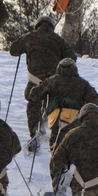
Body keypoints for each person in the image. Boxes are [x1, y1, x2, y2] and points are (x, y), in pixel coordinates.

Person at [8, 15, 76, 152]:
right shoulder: (58, 40)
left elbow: (13, 51)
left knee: (33, 104)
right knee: (55, 104)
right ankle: (55, 135)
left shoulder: (29, 37)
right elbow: (72, 58)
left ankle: (34, 135)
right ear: (52, 27)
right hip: (54, 82)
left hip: (35, 81)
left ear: (37, 25)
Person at [28, 58, 98, 151]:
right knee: (76, 144)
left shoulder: (52, 80)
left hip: (56, 118)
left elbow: (34, 95)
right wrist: (84, 111)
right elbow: (95, 99)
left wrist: (42, 84)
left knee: (56, 146)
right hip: (76, 118)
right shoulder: (82, 83)